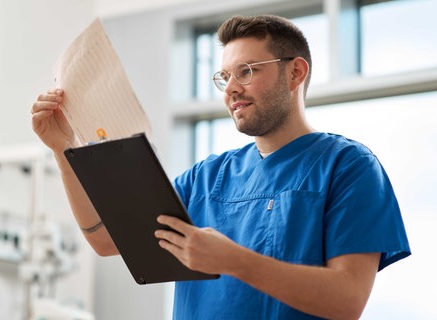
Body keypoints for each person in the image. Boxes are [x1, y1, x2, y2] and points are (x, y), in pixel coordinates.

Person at [31, 14, 410, 320]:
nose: (230, 88)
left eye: (246, 71)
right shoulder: (205, 179)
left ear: (295, 73)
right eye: (225, 76)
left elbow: (347, 301)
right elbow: (106, 240)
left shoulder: (348, 167)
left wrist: (234, 261)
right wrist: (63, 150)